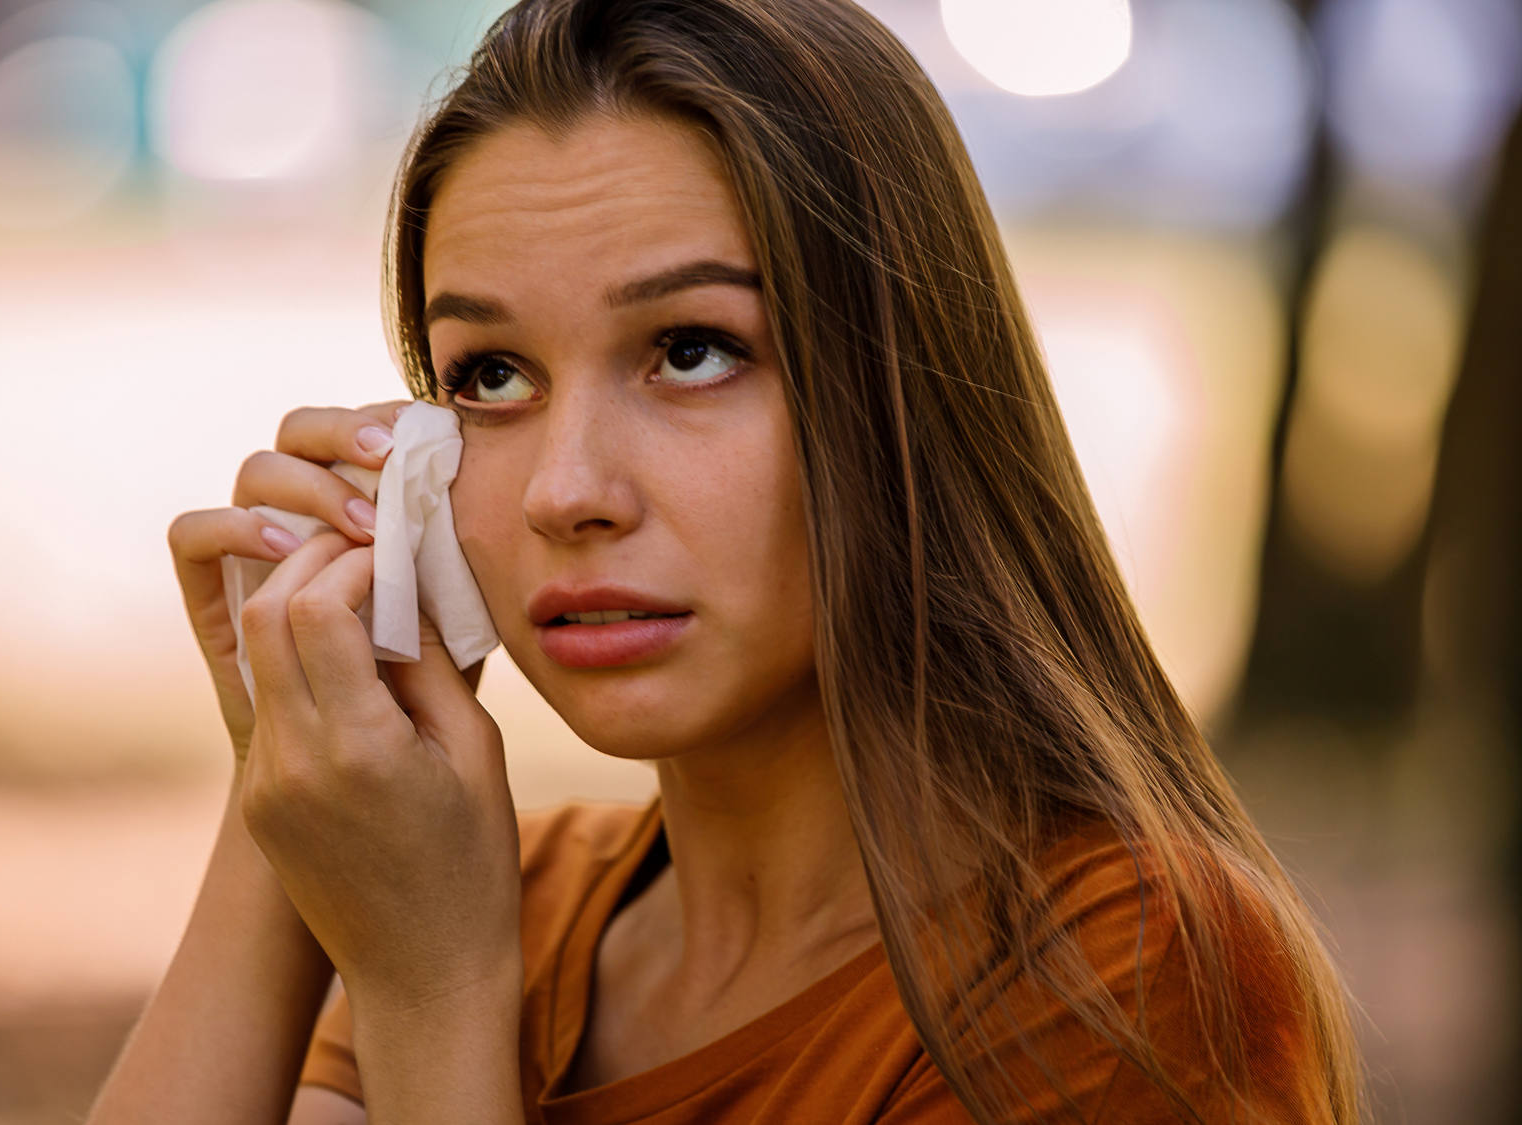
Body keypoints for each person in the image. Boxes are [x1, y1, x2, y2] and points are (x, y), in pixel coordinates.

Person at [87, 0, 1365, 1122]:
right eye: (490, 376)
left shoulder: (1120, 979)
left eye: (691, 350)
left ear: (904, 393)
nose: (565, 491)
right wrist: (283, 787)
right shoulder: (484, 899)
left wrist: (432, 1004)